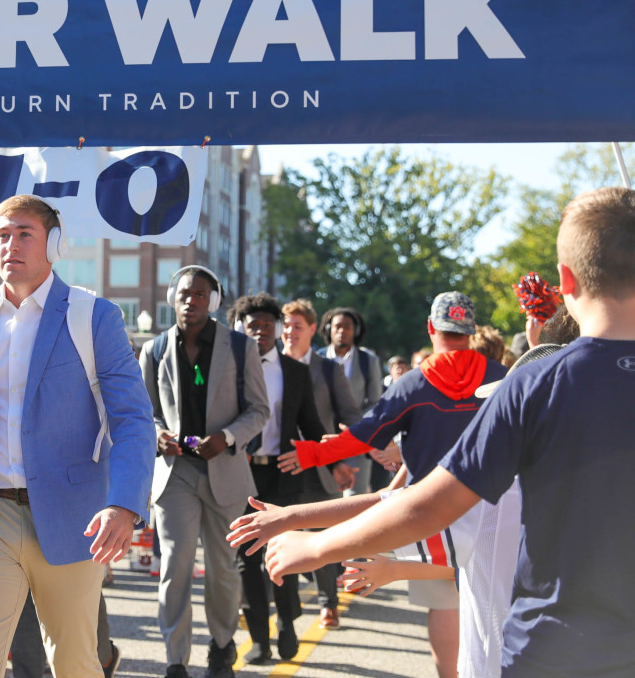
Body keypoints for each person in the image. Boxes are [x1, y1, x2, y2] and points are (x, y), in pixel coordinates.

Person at [264, 187, 635, 677]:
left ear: (565, 280)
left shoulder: (531, 384)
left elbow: (430, 503)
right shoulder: (507, 377)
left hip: (553, 647)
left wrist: (313, 543)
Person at [0, 194, 155, 678]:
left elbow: (132, 419)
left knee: (74, 663)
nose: (11, 245)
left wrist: (125, 503)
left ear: (55, 244)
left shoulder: (94, 316)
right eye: (2, 235)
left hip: (75, 517)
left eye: (25, 233)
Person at [277, 291, 507, 678]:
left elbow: (365, 436)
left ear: (432, 328)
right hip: (492, 513)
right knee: (493, 611)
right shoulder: (503, 380)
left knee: (445, 606)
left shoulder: (415, 384)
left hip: (433, 515)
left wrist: (313, 454)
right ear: (470, 331)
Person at [139, 266, 270, 678]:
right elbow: (144, 413)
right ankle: (176, 659)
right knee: (175, 565)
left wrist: (228, 437)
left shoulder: (239, 347)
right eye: (183, 294)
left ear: (213, 301)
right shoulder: (155, 349)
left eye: (199, 295)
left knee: (223, 568)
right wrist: (158, 435)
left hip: (225, 474)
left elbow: (259, 411)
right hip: (175, 474)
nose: (190, 301)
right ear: (171, 298)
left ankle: (221, 645)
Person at [229, 292, 329, 664]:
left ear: (278, 329)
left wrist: (320, 456)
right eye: (252, 325)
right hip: (241, 471)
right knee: (247, 557)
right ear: (241, 327)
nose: (260, 332)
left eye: (267, 325)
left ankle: (287, 621)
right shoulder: (231, 367)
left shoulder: (295, 371)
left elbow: (311, 425)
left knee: (282, 553)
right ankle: (259, 636)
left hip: (283, 474)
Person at [279, 298, 359, 630]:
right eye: (286, 326)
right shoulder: (265, 366)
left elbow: (350, 415)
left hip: (319, 468)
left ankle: (328, 603)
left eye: (297, 326)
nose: (289, 332)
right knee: (281, 534)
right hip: (279, 466)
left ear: (313, 329)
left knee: (319, 537)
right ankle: (285, 605)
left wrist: (342, 459)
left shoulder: (328, 369)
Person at [317, 306, 382, 494]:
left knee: (355, 498)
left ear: (356, 331)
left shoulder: (368, 361)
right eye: (337, 326)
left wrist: (356, 427)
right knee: (324, 498)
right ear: (329, 329)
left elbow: (375, 402)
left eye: (347, 326)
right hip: (323, 438)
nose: (341, 331)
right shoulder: (316, 359)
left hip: (356, 438)